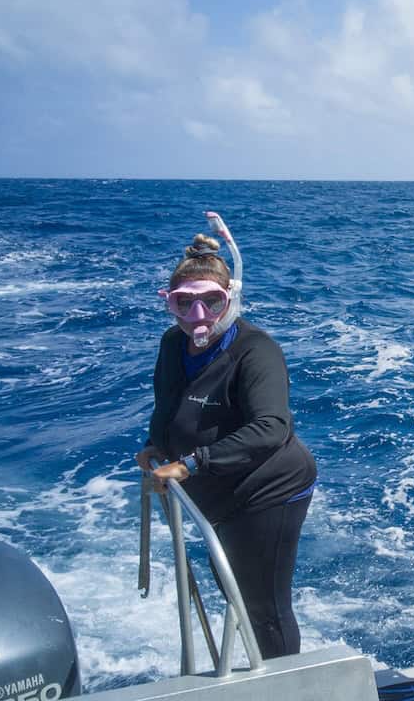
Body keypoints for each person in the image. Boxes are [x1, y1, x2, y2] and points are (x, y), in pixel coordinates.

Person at [138, 213, 317, 659]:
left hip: (269, 490)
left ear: (231, 299)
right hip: (215, 491)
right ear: (170, 303)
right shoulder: (172, 345)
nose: (197, 317)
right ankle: (262, 674)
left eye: (211, 303)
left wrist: (192, 463)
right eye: (184, 304)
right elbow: (167, 406)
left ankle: (287, 687)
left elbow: (272, 427)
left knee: (262, 604)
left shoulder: (257, 351)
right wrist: (155, 447)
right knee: (232, 588)